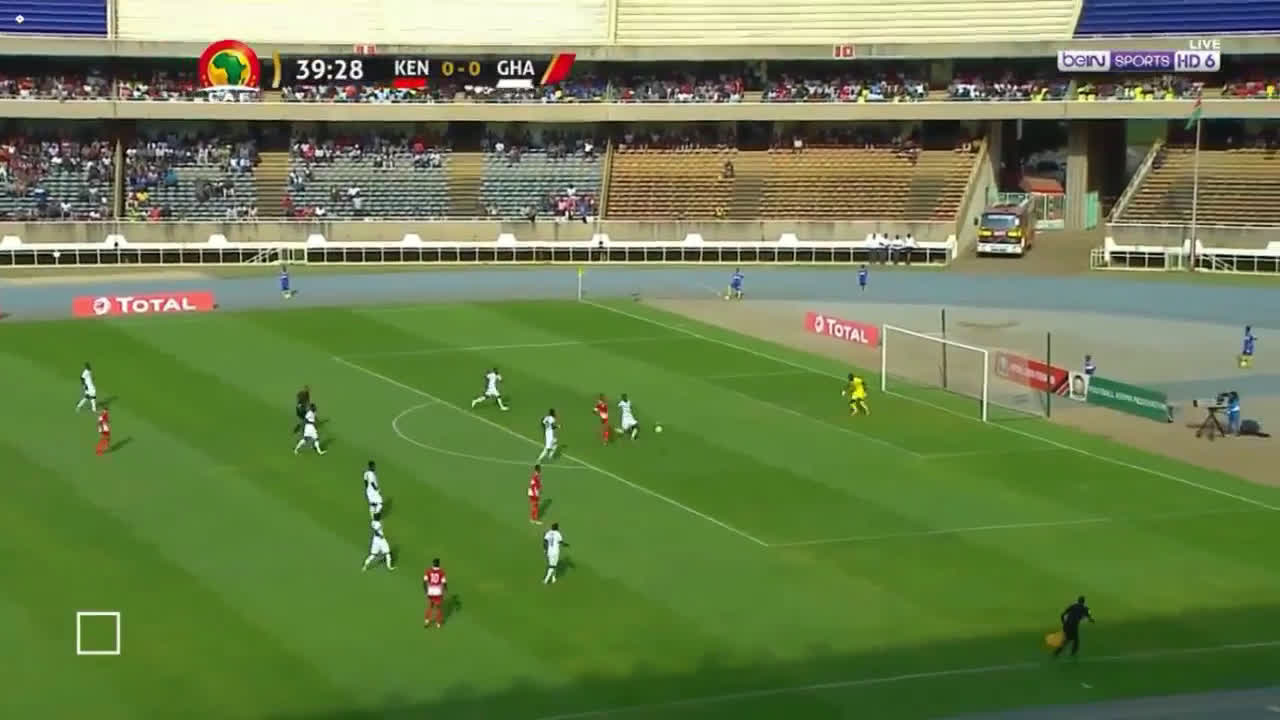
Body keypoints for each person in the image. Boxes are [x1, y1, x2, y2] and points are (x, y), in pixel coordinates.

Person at [423, 559, 447, 627]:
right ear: (439, 564)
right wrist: (446, 589)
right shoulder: (441, 572)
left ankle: (427, 621)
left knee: (430, 606)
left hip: (430, 591)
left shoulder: (428, 571)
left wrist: (426, 591)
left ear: (433, 564)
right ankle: (438, 623)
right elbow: (444, 582)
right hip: (438, 592)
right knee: (438, 608)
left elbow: (424, 582)